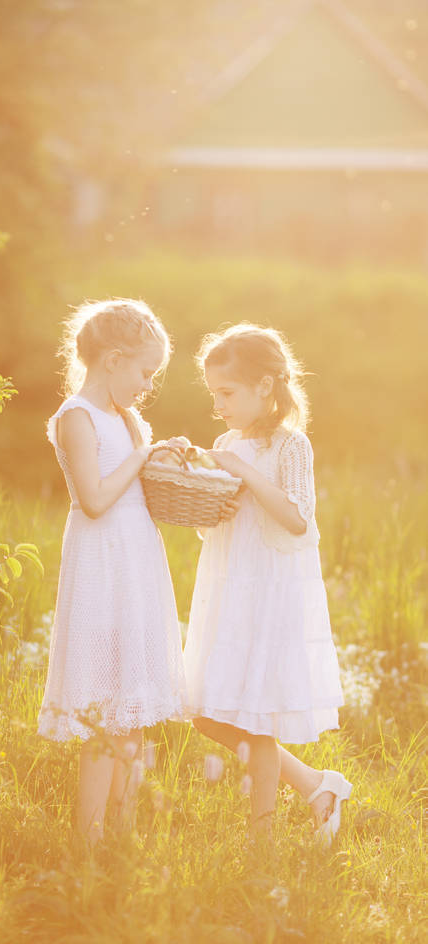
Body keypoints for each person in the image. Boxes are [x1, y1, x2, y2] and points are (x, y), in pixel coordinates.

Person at [184, 322, 352, 845]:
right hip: (230, 589)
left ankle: (262, 843)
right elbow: (209, 526)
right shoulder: (225, 443)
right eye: (214, 395)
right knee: (205, 714)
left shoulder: (289, 445)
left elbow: (298, 517)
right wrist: (207, 495)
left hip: (271, 593)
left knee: (258, 722)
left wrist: (244, 475)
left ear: (265, 385)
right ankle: (317, 785)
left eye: (227, 393)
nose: (219, 407)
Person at [38, 298, 187, 848]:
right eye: (145, 372)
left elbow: (136, 486)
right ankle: (88, 835)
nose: (148, 385)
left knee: (134, 701)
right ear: (112, 360)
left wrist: (164, 457)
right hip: (101, 563)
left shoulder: (128, 420)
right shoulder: (76, 417)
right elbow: (95, 499)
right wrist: (144, 455)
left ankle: (122, 829)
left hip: (136, 561)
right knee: (103, 706)